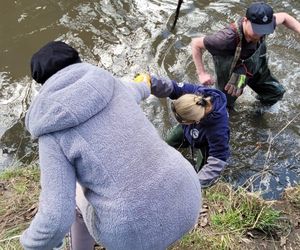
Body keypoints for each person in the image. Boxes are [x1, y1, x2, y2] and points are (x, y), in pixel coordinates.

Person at [20, 41, 202, 250]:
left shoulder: (51, 127)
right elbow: (141, 87)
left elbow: (56, 217)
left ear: (42, 82)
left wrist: (30, 245)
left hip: (134, 233)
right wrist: (145, 81)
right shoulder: (113, 85)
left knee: (77, 199)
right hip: (188, 196)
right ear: (78, 61)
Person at [191, 2, 300, 109]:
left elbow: (285, 17)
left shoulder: (266, 22)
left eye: (264, 30)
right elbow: (195, 43)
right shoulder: (225, 39)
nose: (260, 34)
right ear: (245, 20)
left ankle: (256, 113)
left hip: (256, 67)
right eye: (257, 30)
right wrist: (202, 73)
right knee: (224, 105)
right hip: (233, 75)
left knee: (274, 94)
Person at [147, 74, 230, 188]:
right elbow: (172, 87)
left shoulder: (217, 130)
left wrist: (193, 185)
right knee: (168, 142)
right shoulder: (194, 94)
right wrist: (150, 82)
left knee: (200, 171)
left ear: (195, 120)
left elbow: (218, 159)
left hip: (204, 143)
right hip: (187, 129)